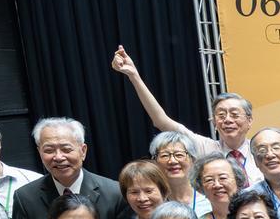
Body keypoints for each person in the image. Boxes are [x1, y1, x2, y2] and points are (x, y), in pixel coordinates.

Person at [111, 47, 262, 184]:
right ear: (214, 122)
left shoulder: (261, 150)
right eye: (221, 115)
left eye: (234, 114)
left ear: (249, 121)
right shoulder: (205, 147)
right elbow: (161, 121)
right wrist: (134, 76)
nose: (227, 119)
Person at [9, 117, 130, 219]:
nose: (58, 157)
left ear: (82, 151)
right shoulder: (25, 197)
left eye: (66, 149)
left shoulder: (114, 192)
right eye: (49, 150)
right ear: (40, 153)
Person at [146, 134, 206, 218]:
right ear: (155, 162)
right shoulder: (151, 204)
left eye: (179, 155)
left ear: (193, 160)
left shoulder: (209, 201)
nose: (172, 161)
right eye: (165, 155)